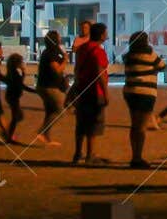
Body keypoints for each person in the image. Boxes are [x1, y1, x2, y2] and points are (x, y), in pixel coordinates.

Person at [70, 22, 110, 165]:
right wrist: (106, 93)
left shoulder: (82, 49)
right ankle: (90, 155)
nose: (107, 34)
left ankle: (77, 153)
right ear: (101, 35)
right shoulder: (98, 51)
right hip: (94, 91)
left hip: (81, 89)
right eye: (105, 32)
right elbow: (100, 73)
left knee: (81, 123)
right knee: (93, 124)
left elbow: (77, 69)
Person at [122, 31, 162, 168]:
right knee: (142, 127)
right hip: (146, 92)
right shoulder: (150, 54)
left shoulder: (128, 56)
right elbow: (161, 65)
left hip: (130, 91)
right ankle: (137, 157)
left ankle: (135, 155)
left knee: (134, 125)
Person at [34, 29, 68, 146]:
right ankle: (42, 132)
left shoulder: (51, 51)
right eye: (58, 36)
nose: (60, 38)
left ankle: (46, 137)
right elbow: (57, 69)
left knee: (50, 111)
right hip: (49, 86)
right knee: (60, 110)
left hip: (46, 85)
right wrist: (65, 61)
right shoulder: (50, 53)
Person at [3, 53, 27, 144]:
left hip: (11, 96)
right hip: (13, 97)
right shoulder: (15, 73)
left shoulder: (12, 71)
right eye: (21, 62)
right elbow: (22, 85)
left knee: (19, 116)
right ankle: (9, 137)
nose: (22, 63)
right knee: (15, 117)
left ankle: (8, 133)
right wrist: (35, 91)